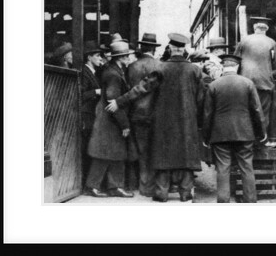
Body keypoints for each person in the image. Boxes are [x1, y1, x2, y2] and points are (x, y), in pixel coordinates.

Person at [106, 33, 205, 202]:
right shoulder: (195, 70)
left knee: (163, 155)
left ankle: (161, 193)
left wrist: (120, 101)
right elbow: (201, 98)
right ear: (183, 50)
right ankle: (185, 193)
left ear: (171, 48)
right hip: (187, 120)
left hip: (164, 120)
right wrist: (199, 120)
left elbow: (142, 88)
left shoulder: (161, 68)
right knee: (186, 156)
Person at [202, 54, 266, 203]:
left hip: (220, 134)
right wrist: (261, 132)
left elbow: (207, 114)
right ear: (237, 67)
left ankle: (223, 201)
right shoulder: (247, 83)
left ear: (223, 67)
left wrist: (206, 137)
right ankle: (250, 200)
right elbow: (257, 110)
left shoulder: (214, 85)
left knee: (223, 169)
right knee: (246, 167)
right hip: (244, 133)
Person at [84, 41, 138, 198]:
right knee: (106, 154)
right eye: (127, 56)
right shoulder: (114, 74)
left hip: (108, 120)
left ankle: (113, 186)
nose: (129, 59)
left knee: (114, 154)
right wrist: (124, 124)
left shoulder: (114, 70)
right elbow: (112, 101)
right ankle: (96, 186)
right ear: (121, 58)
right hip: (110, 121)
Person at [124, 32, 162, 196]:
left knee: (136, 149)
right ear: (154, 49)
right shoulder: (159, 65)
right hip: (155, 114)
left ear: (142, 47)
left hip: (135, 112)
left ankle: (135, 184)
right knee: (153, 150)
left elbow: (128, 89)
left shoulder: (131, 67)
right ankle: (148, 186)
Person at [235, 17, 276, 148]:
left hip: (244, 83)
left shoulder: (244, 41)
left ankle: (245, 143)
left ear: (254, 28)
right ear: (267, 29)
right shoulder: (271, 42)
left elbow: (236, 60)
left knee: (246, 112)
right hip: (263, 83)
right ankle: (262, 141)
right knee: (263, 112)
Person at [80, 40, 103, 188]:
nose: (100, 58)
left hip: (91, 115)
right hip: (86, 115)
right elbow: (80, 94)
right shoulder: (84, 72)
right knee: (86, 148)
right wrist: (96, 91)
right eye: (97, 56)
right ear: (89, 58)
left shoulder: (93, 72)